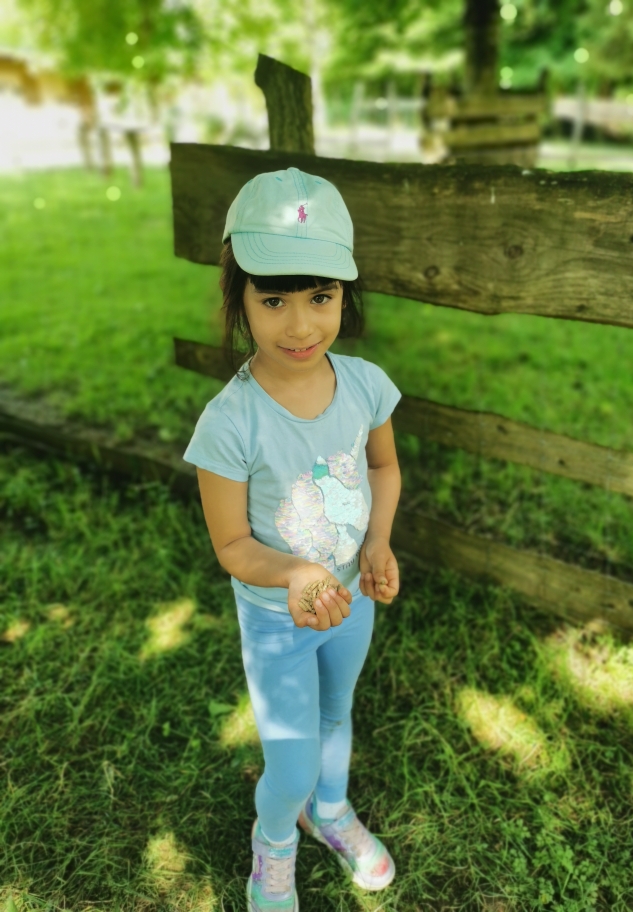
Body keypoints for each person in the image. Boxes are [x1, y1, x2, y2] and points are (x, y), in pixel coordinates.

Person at [183, 167, 402, 911]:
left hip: (351, 602)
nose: (301, 325)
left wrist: (376, 543)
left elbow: (383, 468)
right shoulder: (230, 422)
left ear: (345, 294)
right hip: (279, 621)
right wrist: (297, 574)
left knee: (336, 714)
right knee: (291, 760)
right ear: (238, 298)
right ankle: (273, 842)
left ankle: (329, 813)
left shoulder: (365, 386)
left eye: (321, 297)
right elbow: (232, 546)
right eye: (274, 300)